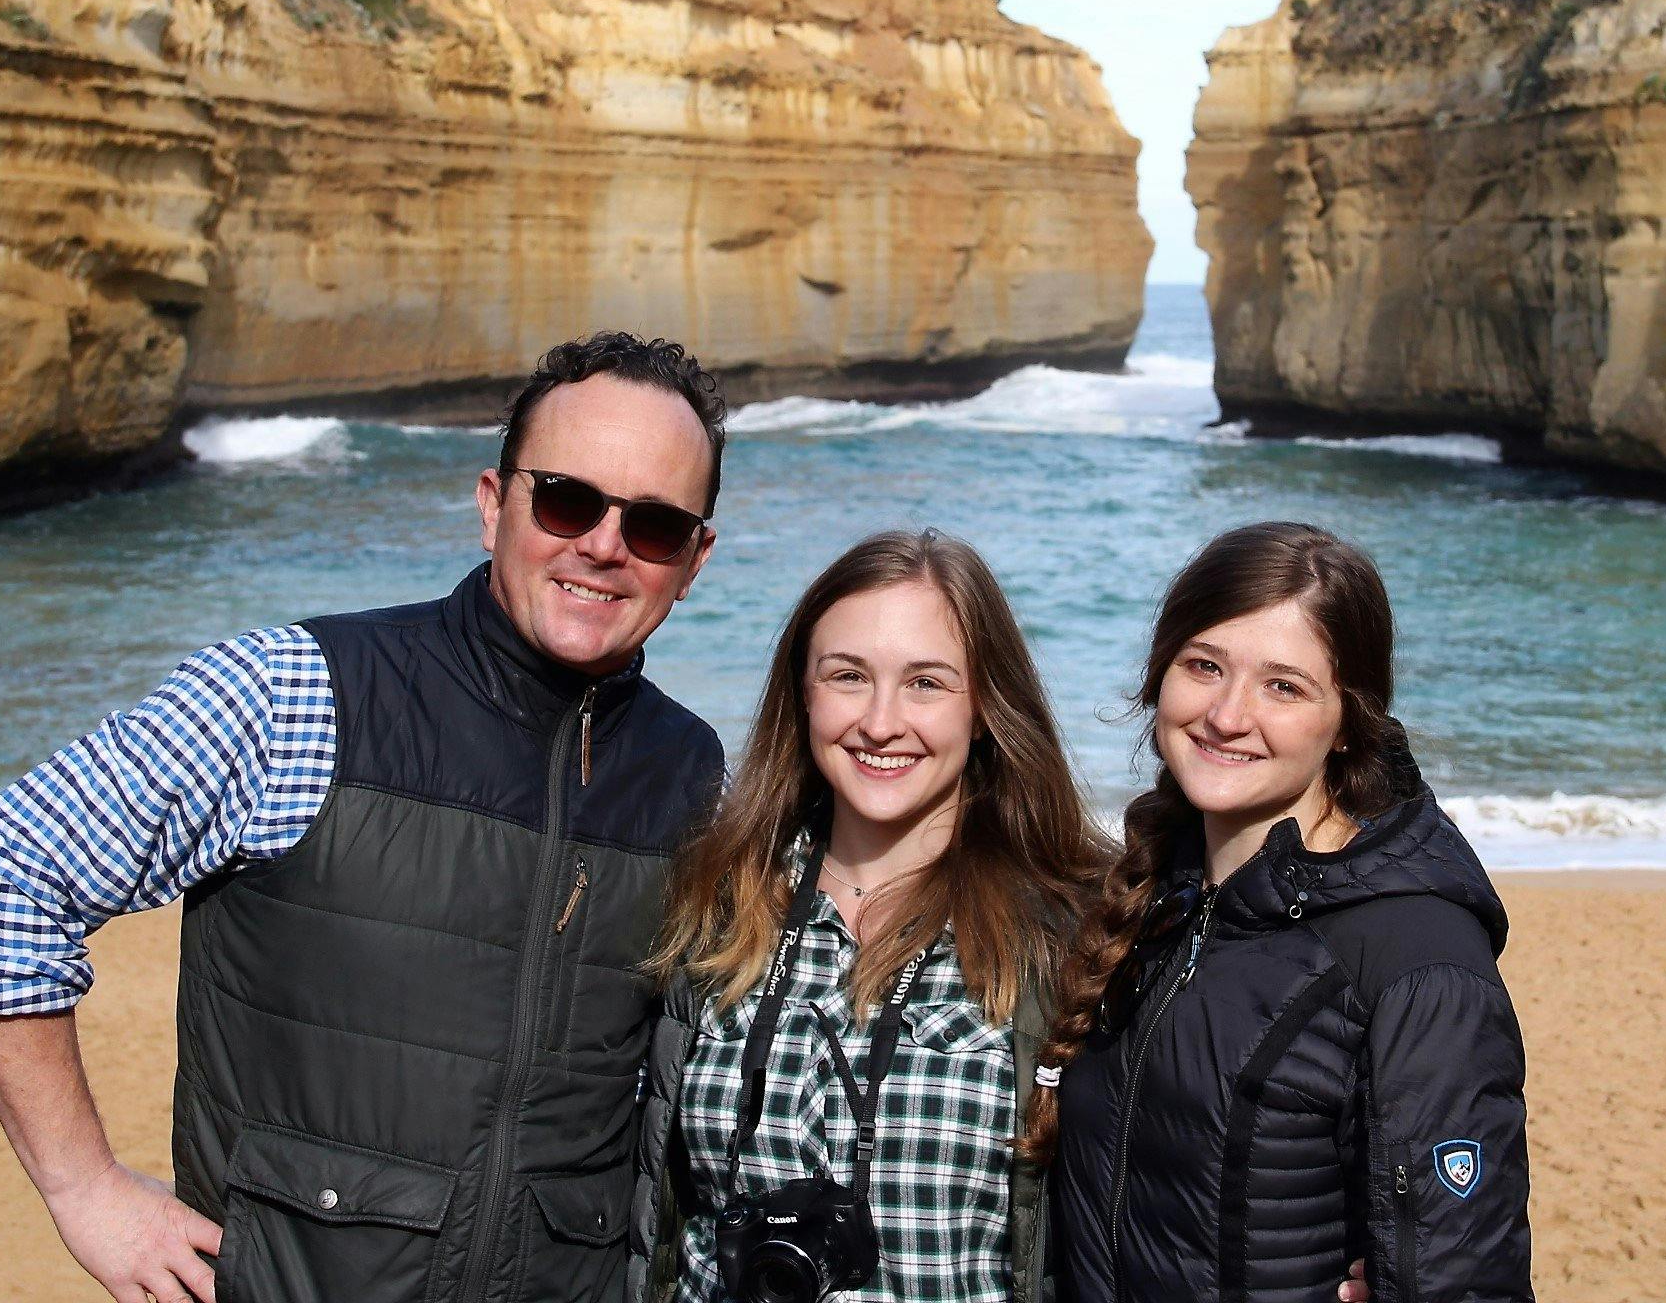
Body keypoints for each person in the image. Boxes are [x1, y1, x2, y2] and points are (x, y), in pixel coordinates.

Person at [0, 333, 730, 1303]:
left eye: (654, 524)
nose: (602, 543)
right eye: (566, 499)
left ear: (694, 561)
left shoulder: (694, 778)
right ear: (491, 504)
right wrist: (83, 1187)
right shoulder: (292, 694)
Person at [1032, 522, 1533, 1303]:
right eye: (1204, 666)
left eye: (1283, 686)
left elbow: (1465, 1279)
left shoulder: (1415, 958)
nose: (1228, 715)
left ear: (1348, 722)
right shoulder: (1150, 899)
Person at [627, 530, 1105, 1303]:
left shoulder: (1066, 934)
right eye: (849, 677)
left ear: (984, 707)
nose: (882, 723)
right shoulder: (714, 904)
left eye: (926, 683)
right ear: (804, 693)